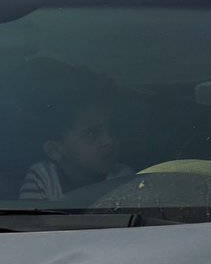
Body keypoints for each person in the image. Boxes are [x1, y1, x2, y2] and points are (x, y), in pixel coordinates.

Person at [19, 70, 132, 201]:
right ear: (55, 150)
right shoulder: (43, 177)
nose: (109, 140)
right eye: (91, 133)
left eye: (112, 129)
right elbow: (31, 220)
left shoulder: (123, 178)